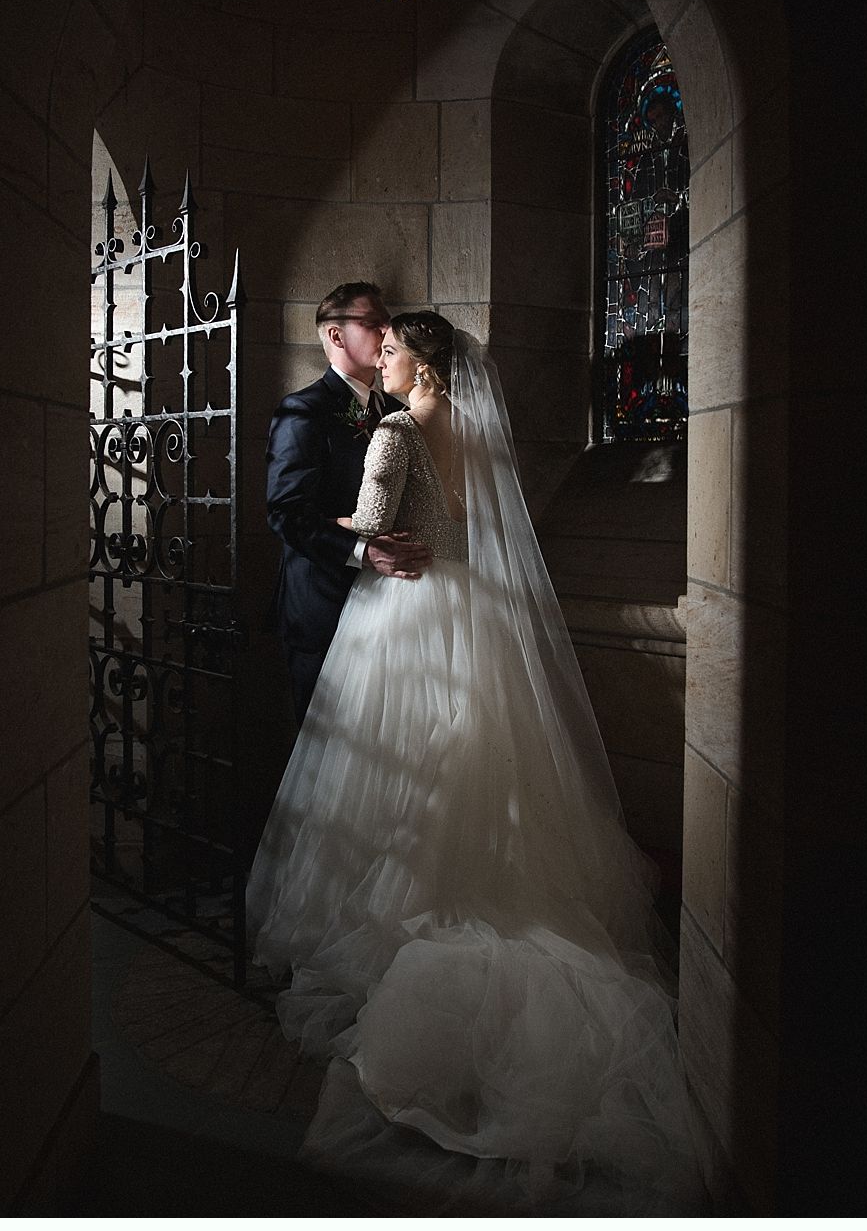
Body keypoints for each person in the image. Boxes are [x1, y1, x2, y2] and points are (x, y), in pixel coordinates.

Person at [248, 312, 704, 1214]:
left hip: (401, 616)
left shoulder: (395, 430)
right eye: (373, 345)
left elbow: (375, 527)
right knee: (477, 763)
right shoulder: (478, 434)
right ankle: (476, 882)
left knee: (394, 766)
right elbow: (470, 526)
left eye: (391, 347)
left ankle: (407, 920)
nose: (380, 356)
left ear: (421, 359)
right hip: (472, 616)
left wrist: (351, 520)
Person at [265, 282, 432, 725]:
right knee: (324, 750)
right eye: (373, 322)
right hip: (322, 602)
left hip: (386, 606)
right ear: (336, 336)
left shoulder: (396, 412)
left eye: (386, 322)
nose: (385, 330)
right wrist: (363, 550)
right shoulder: (303, 410)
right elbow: (286, 513)